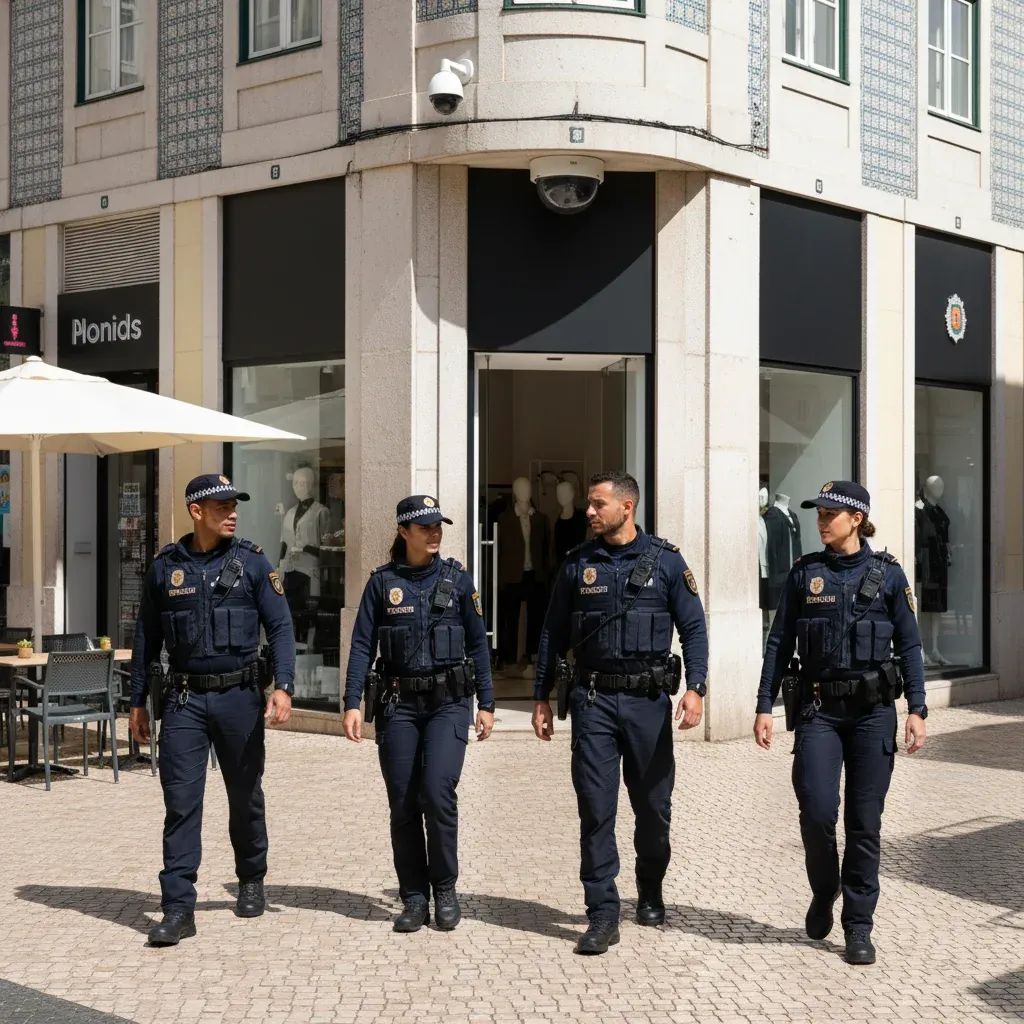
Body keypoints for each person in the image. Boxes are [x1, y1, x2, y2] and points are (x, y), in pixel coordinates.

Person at [532, 472, 708, 955]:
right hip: (592, 703)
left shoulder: (667, 563)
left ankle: (649, 885)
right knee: (596, 808)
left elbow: (693, 627)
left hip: (649, 703)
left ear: (626, 507)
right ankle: (603, 912)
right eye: (589, 504)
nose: (589, 512)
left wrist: (696, 688)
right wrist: (542, 696)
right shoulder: (577, 564)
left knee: (653, 809)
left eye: (597, 504)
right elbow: (551, 633)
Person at [753, 480, 927, 967]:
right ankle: (823, 888)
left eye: (831, 513)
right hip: (818, 712)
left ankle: (858, 925)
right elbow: (778, 643)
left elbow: (911, 646)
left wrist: (917, 708)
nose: (822, 520)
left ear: (857, 519)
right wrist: (765, 704)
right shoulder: (804, 574)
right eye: (819, 512)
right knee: (817, 812)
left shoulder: (888, 575)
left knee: (865, 824)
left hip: (873, 714)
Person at [128, 474, 296, 947]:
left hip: (240, 698)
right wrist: (137, 701)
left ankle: (250, 876)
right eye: (222, 505)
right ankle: (178, 907)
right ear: (196, 511)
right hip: (183, 701)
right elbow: (146, 640)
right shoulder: (166, 567)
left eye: (234, 504)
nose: (232, 512)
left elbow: (281, 627)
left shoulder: (253, 563)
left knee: (245, 796)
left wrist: (282, 686)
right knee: (181, 804)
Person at [343, 495, 495, 933]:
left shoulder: (458, 579)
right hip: (398, 706)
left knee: (438, 793)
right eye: (425, 527)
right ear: (403, 532)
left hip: (448, 703)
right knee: (404, 802)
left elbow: (477, 643)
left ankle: (445, 889)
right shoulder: (381, 583)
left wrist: (485, 703)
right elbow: (360, 647)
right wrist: (352, 702)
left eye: (438, 526)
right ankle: (413, 896)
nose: (434, 533)